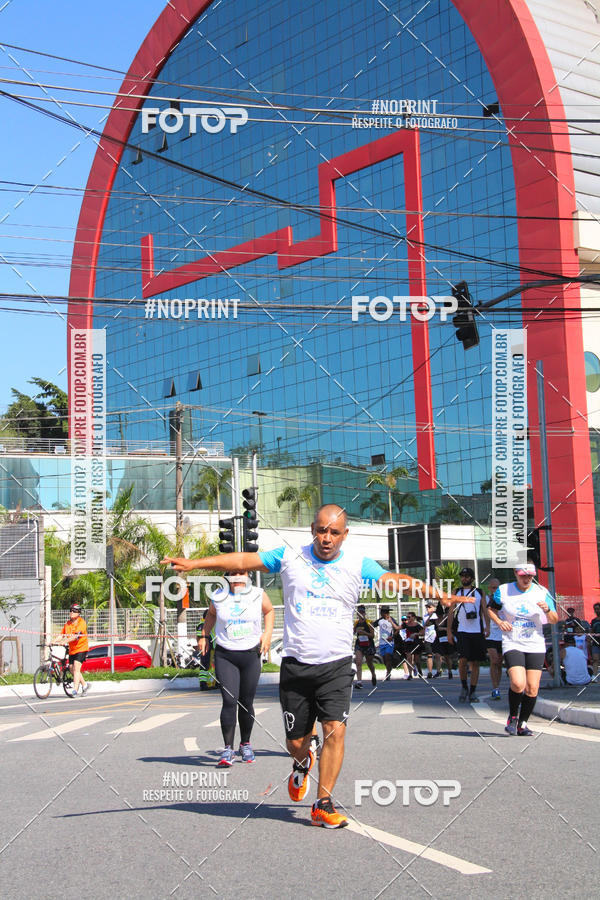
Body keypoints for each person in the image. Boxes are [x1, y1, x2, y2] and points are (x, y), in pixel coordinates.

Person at [162, 504, 471, 828]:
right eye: (321, 530)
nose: (327, 538)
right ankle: (303, 760)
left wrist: (433, 591)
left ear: (344, 535)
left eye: (334, 532)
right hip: (296, 664)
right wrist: (196, 563)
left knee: (334, 731)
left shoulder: (357, 563)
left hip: (336, 665)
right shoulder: (290, 555)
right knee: (296, 742)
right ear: (313, 529)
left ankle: (323, 803)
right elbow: (243, 560)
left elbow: (394, 580)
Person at [198, 571, 274, 766]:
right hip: (226, 655)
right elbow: (211, 616)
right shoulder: (218, 596)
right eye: (233, 574)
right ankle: (228, 749)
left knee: (246, 702)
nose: (238, 577)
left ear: (248, 575)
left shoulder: (258, 593)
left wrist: (267, 634)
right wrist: (204, 635)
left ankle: (245, 744)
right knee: (229, 700)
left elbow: (269, 611)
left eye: (242, 573)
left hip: (250, 655)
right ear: (227, 577)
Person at [487, 562, 558, 736]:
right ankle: (512, 717)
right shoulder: (504, 590)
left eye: (530, 576)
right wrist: (499, 622)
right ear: (515, 574)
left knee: (532, 687)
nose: (526, 579)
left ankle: (523, 723)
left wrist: (548, 609)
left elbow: (555, 619)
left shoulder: (541, 592)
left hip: (535, 643)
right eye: (523, 575)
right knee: (518, 683)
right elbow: (491, 609)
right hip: (513, 642)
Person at [447, 567, 488, 703]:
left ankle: (473, 690)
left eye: (467, 576)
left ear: (472, 578)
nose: (464, 578)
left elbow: (485, 611)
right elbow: (451, 613)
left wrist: (487, 626)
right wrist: (448, 631)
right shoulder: (457, 592)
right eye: (463, 576)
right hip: (462, 630)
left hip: (477, 631)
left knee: (475, 662)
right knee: (463, 660)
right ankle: (464, 686)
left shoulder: (479, 592)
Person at [57, 603, 90, 696]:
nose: (72, 612)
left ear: (78, 613)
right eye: (70, 610)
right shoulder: (67, 624)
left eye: (74, 611)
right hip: (72, 650)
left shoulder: (81, 623)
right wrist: (53, 641)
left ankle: (75, 689)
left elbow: (75, 637)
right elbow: (61, 635)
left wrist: (65, 641)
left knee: (76, 667)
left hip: (81, 648)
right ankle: (85, 685)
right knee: (71, 668)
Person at [485, 577, 503, 700]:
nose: (495, 590)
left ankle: (498, 687)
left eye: (497, 588)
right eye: (493, 587)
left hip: (503, 634)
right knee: (494, 660)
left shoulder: (504, 599)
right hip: (490, 634)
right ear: (489, 588)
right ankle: (495, 687)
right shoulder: (485, 599)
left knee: (500, 662)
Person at [353, 604, 376, 689]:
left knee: (369, 662)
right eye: (359, 612)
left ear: (364, 613)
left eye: (362, 612)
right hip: (359, 644)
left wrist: (364, 633)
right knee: (358, 662)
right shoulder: (356, 623)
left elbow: (372, 635)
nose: (360, 614)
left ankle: (373, 674)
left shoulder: (369, 622)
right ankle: (359, 682)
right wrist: (356, 631)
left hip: (368, 644)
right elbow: (353, 632)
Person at [376, 606, 399, 682]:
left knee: (388, 656)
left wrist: (392, 637)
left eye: (386, 612)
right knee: (384, 659)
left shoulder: (391, 619)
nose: (384, 614)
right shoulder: (380, 620)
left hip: (390, 642)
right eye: (383, 612)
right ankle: (389, 668)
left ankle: (388, 673)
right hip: (382, 642)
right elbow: (371, 625)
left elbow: (397, 629)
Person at [432, 601, 454, 678]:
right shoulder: (435, 620)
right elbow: (426, 624)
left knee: (447, 656)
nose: (439, 616)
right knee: (437, 655)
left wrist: (443, 628)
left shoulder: (447, 619)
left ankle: (450, 671)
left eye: (440, 614)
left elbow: (451, 629)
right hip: (438, 639)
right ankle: (438, 671)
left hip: (445, 638)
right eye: (438, 614)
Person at [196, 609, 215, 690]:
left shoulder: (211, 624)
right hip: (205, 648)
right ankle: (203, 684)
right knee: (204, 665)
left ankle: (212, 683)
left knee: (211, 666)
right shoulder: (202, 625)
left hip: (211, 648)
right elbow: (200, 638)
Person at [422, 601, 442, 679]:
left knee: (437, 655)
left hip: (435, 637)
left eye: (429, 607)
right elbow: (425, 625)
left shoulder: (436, 616)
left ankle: (438, 671)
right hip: (428, 637)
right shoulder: (425, 616)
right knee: (429, 655)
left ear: (433, 608)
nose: (428, 609)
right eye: (427, 607)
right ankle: (430, 672)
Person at [403, 611, 423, 679]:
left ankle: (419, 670)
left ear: (413, 617)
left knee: (416, 660)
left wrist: (416, 634)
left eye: (409, 617)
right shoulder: (405, 624)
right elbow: (398, 628)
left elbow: (422, 632)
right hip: (408, 643)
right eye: (407, 617)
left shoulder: (417, 625)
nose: (407, 618)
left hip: (416, 642)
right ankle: (410, 674)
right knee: (409, 658)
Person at [589, 602, 600, 677]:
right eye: (595, 609)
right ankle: (594, 676)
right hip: (596, 643)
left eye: (598, 609)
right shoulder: (593, 621)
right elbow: (592, 631)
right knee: (595, 660)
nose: (597, 610)